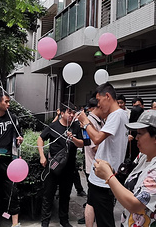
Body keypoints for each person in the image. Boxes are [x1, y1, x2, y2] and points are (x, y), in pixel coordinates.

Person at [93, 110, 156, 227]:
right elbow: (132, 185)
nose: (136, 137)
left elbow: (136, 205)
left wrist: (109, 176)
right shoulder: (144, 156)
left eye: (140, 133)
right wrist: (112, 173)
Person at [77, 83, 129, 227]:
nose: (98, 105)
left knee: (105, 221)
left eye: (99, 100)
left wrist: (85, 121)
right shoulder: (120, 115)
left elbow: (97, 138)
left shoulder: (116, 115)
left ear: (107, 96)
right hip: (101, 177)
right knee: (100, 216)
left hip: (104, 179)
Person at [37, 104, 84, 227]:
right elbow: (40, 138)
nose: (72, 115)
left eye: (74, 112)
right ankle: (45, 221)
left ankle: (64, 220)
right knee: (48, 195)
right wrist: (42, 155)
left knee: (65, 195)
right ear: (62, 113)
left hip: (69, 168)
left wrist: (73, 138)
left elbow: (82, 144)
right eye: (69, 112)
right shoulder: (53, 126)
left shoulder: (76, 126)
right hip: (53, 167)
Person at [0, 91, 24, 227]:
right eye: (6, 101)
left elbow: (19, 136)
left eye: (9, 101)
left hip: (10, 161)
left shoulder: (13, 118)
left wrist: (19, 140)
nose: (8, 104)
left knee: (13, 191)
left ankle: (15, 223)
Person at [81, 97, 105, 227]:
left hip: (99, 166)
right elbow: (92, 146)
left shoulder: (100, 121)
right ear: (97, 107)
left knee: (95, 200)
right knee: (91, 200)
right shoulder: (88, 122)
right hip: (93, 166)